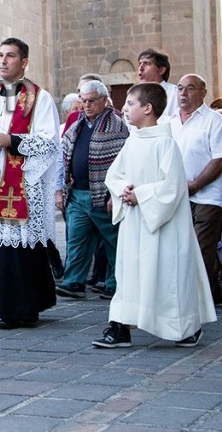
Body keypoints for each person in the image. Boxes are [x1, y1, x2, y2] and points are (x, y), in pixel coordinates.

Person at [94, 83, 217, 348]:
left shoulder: (165, 143)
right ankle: (120, 327)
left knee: (166, 274)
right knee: (128, 273)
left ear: (147, 108)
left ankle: (184, 329)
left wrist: (142, 195)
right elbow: (115, 175)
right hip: (135, 222)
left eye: (130, 104)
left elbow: (172, 187)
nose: (124, 109)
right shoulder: (133, 140)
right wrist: (122, 189)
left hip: (162, 225)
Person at [0, 38, 60, 329]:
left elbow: (49, 141)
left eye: (10, 56)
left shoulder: (39, 98)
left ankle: (25, 308)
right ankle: (5, 306)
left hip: (23, 184)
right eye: (0, 55)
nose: (3, 61)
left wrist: (13, 141)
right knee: (3, 249)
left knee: (23, 248)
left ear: (24, 63)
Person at [54, 81, 128, 301]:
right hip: (78, 192)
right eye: (83, 101)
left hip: (105, 195)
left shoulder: (117, 125)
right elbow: (64, 153)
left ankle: (115, 284)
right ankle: (74, 282)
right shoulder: (77, 124)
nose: (86, 105)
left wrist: (116, 193)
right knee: (76, 240)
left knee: (113, 242)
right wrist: (60, 188)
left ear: (104, 101)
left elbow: (123, 161)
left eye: (91, 101)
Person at [169, 74, 222, 305]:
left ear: (203, 92)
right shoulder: (169, 123)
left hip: (208, 195)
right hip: (178, 195)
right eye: (180, 88)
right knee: (182, 247)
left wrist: (195, 185)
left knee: (202, 248)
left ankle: (203, 297)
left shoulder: (213, 121)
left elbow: (219, 159)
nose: (183, 93)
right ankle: (209, 292)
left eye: (190, 88)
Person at [137, 49, 178, 118]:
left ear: (161, 70)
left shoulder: (175, 94)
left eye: (146, 63)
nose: (140, 68)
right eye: (139, 64)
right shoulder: (135, 96)